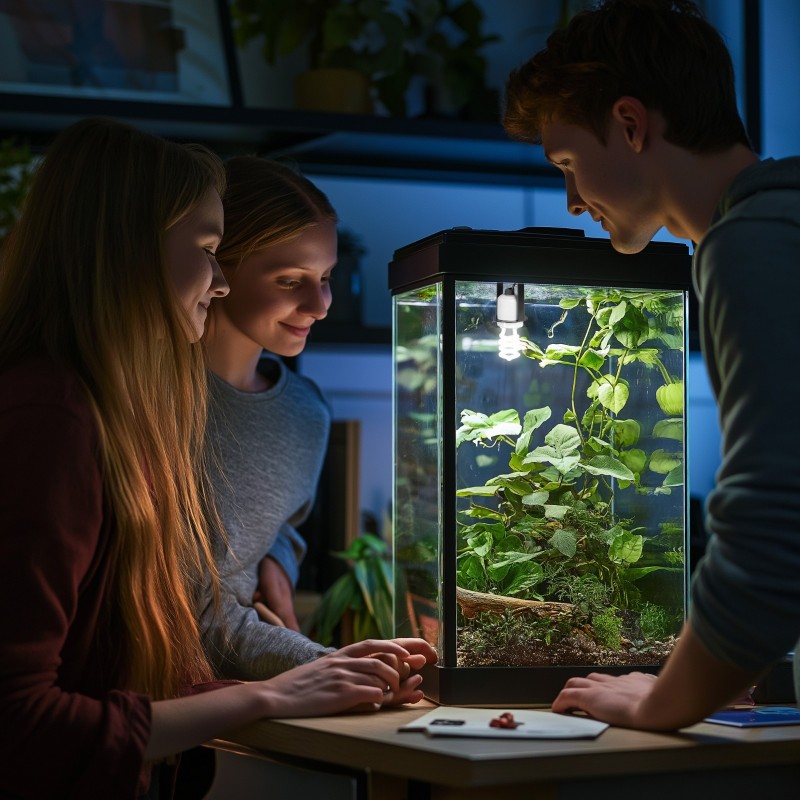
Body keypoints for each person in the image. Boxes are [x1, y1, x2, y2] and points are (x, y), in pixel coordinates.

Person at [0, 117, 434, 800]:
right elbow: (23, 715)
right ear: (132, 252)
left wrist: (303, 644)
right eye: (207, 249)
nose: (220, 281)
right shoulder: (61, 415)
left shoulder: (286, 412)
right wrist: (274, 691)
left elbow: (210, 600)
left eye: (326, 279)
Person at [503, 0, 800, 730]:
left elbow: (774, 519)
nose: (574, 201)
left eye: (570, 164)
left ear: (631, 125)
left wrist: (666, 702)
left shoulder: (751, 243)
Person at [199, 156, 341, 679]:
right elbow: (188, 602)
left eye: (326, 277)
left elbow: (276, 519)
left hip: (240, 674)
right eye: (289, 280)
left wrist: (278, 556)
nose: (320, 303)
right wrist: (317, 662)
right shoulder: (155, 401)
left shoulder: (307, 412)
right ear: (217, 267)